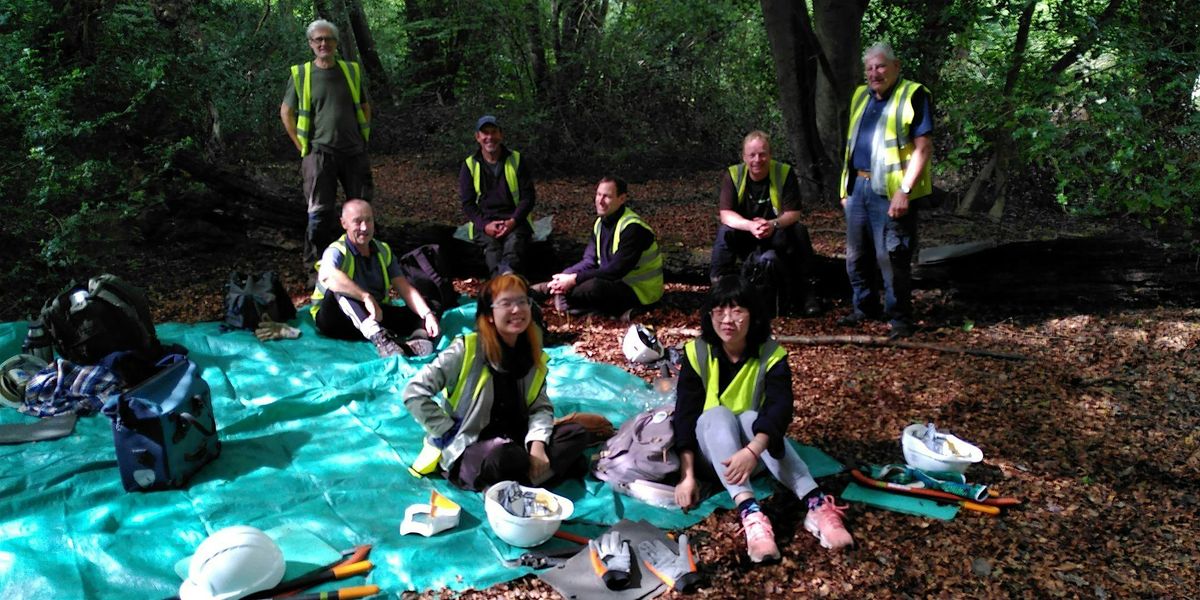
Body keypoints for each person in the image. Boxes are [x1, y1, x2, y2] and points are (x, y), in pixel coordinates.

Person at [672, 277, 852, 564]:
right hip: (715, 459)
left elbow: (780, 409)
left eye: (737, 310)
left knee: (753, 417)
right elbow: (684, 416)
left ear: (753, 315)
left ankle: (816, 505)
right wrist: (687, 476)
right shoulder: (698, 353)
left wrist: (752, 450)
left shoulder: (771, 355)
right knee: (717, 414)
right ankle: (751, 512)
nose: (727, 320)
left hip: (755, 456)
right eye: (719, 310)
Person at [403, 274, 589, 491]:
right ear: (490, 315)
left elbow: (540, 407)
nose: (517, 310)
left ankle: (520, 482)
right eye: (506, 304)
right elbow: (414, 392)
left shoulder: (531, 354)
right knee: (505, 456)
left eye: (522, 302)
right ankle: (535, 478)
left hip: (517, 438)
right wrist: (448, 431)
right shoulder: (466, 350)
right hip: (473, 447)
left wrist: (537, 445)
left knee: (576, 434)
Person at [838, 42, 933, 339]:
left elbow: (923, 148)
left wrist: (904, 190)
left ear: (896, 66)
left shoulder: (913, 95)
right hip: (858, 188)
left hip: (891, 194)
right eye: (869, 68)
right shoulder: (859, 96)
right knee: (856, 256)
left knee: (891, 258)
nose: (874, 73)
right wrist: (845, 189)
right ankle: (864, 307)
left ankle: (900, 318)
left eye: (880, 66)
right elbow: (852, 145)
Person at [280, 19, 373, 269]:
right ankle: (317, 268)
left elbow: (364, 105)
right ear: (311, 44)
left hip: (354, 151)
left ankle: (362, 262)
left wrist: (363, 137)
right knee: (319, 213)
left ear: (336, 42)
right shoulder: (302, 74)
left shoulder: (350, 70)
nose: (324, 43)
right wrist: (301, 145)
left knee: (362, 210)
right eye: (318, 39)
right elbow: (286, 111)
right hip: (319, 153)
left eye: (328, 39)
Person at [309, 200, 439, 357]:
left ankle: (416, 342)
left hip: (374, 314)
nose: (364, 228)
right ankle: (381, 340)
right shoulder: (336, 250)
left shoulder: (383, 250)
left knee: (429, 304)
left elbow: (404, 288)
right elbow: (327, 275)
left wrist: (426, 314)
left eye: (368, 220)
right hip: (335, 319)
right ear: (344, 223)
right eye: (357, 222)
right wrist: (365, 297)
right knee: (338, 289)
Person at [711, 131, 820, 317]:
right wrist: (750, 226)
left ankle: (810, 292)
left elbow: (793, 213)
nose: (757, 160)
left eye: (762, 154)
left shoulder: (784, 173)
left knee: (799, 230)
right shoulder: (733, 174)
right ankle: (718, 290)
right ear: (744, 157)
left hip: (776, 234)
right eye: (752, 155)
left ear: (770, 154)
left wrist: (773, 224)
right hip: (745, 234)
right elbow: (726, 214)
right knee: (725, 232)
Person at [535, 176, 663, 318]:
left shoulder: (632, 229)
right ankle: (546, 292)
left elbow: (615, 271)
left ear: (622, 199)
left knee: (592, 287)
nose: (600, 201)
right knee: (567, 282)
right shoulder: (600, 223)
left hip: (640, 293)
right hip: (614, 283)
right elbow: (589, 261)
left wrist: (573, 280)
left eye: (607, 196)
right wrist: (566, 275)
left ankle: (556, 296)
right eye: (598, 195)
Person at [458, 115, 536, 277]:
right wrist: (485, 225)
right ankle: (504, 286)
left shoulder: (516, 159)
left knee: (513, 246)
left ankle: (505, 284)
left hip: (515, 220)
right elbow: (468, 204)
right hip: (486, 222)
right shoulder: (469, 165)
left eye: (493, 132)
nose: (489, 137)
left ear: (501, 135)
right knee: (492, 249)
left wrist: (512, 221)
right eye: (485, 133)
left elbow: (528, 197)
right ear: (477, 137)